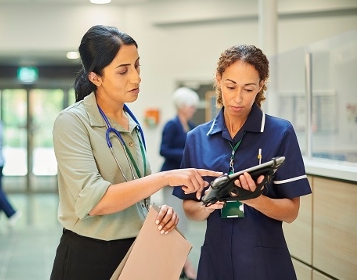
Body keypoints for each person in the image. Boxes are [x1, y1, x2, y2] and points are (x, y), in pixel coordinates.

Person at [49, 25, 222, 280]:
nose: (136, 78)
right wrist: (165, 178)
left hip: (136, 251)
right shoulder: (72, 122)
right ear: (95, 77)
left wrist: (157, 213)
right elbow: (96, 201)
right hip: (88, 257)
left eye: (137, 66)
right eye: (123, 71)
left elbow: (134, 191)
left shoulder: (131, 122)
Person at [173, 44, 312, 280]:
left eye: (248, 89)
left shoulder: (280, 132)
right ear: (218, 80)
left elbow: (291, 211)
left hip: (264, 261)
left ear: (260, 86)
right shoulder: (196, 138)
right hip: (215, 260)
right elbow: (189, 208)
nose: (238, 98)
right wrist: (207, 206)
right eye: (230, 86)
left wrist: (255, 199)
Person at [159, 87, 199, 280]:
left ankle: (181, 263)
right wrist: (185, 154)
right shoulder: (171, 125)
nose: (193, 109)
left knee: (183, 224)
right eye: (191, 106)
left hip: (185, 182)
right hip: (171, 181)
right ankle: (184, 265)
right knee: (174, 224)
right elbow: (164, 150)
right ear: (182, 106)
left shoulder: (190, 125)